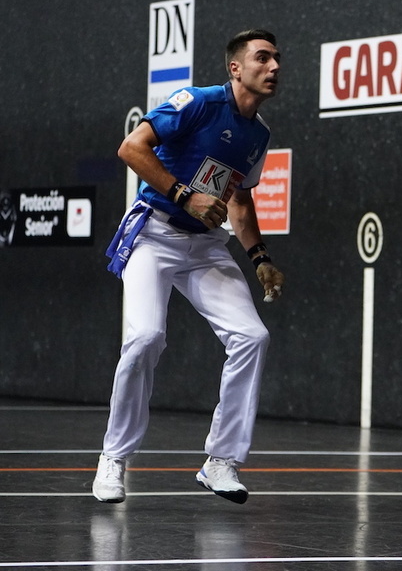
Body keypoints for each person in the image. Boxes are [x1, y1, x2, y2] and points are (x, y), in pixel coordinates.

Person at [93, 29, 286, 505]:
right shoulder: (196, 102)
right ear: (235, 68)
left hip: (205, 247)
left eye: (277, 59)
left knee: (252, 336)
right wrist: (184, 195)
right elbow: (131, 147)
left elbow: (239, 200)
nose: (274, 67)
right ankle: (113, 457)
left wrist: (259, 258)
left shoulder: (259, 134)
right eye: (263, 58)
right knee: (145, 337)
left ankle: (221, 460)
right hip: (154, 234)